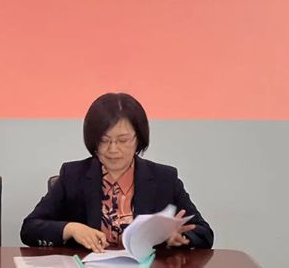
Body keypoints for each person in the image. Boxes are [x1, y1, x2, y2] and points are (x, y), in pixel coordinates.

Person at [21, 93, 213, 251]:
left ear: (139, 139)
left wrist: (180, 238)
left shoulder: (164, 178)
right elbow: (29, 228)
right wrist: (70, 228)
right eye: (104, 140)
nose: (113, 149)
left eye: (123, 140)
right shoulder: (73, 175)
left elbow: (204, 232)